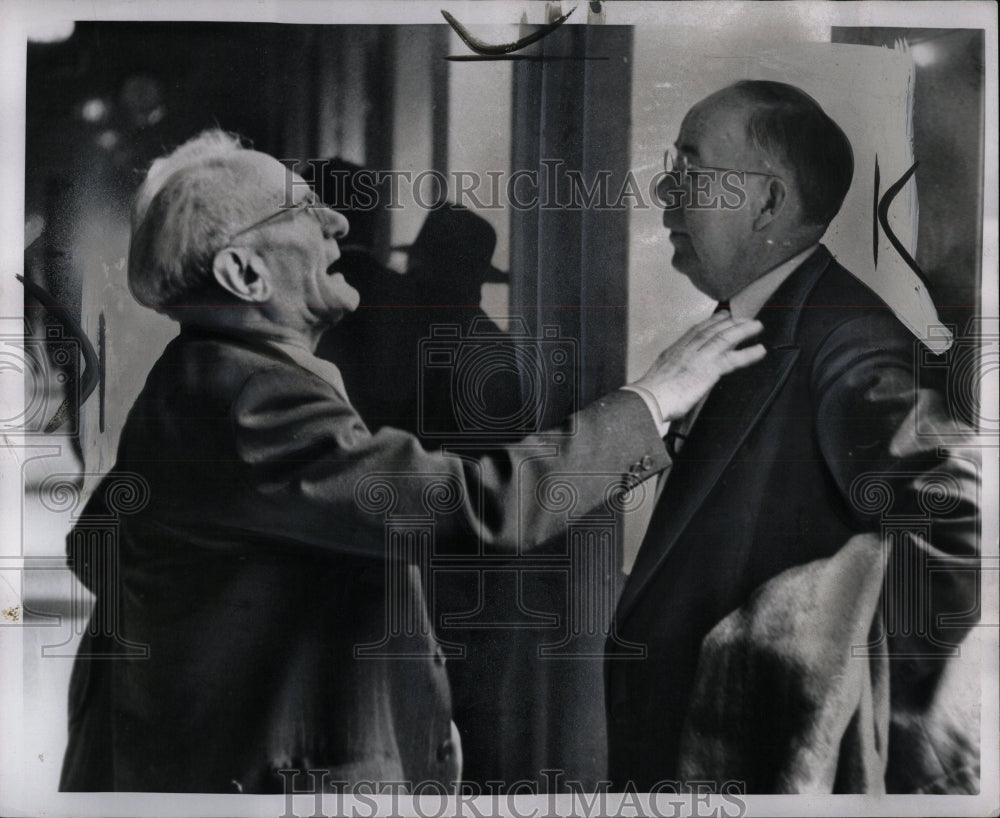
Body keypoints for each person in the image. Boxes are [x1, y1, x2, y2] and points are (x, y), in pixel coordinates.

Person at [58, 129, 765, 793]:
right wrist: (654, 398)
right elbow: (481, 506)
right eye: (304, 211)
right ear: (244, 272)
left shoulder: (205, 377)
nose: (340, 224)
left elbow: (98, 547)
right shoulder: (250, 397)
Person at [605, 80, 980, 793]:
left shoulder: (849, 338)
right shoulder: (766, 323)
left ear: (770, 202)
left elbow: (963, 524)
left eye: (690, 169)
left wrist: (827, 702)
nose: (663, 191)